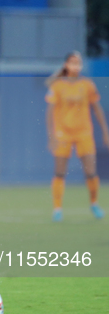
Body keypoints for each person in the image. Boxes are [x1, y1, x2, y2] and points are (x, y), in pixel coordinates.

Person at [45, 51, 109, 222]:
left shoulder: (87, 84)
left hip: (83, 133)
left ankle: (94, 204)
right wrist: (52, 136)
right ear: (66, 65)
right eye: (73, 62)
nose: (76, 65)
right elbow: (50, 112)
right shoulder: (57, 86)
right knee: (59, 172)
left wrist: (105, 131)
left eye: (79, 62)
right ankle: (57, 209)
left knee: (91, 172)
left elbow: (97, 109)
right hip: (63, 133)